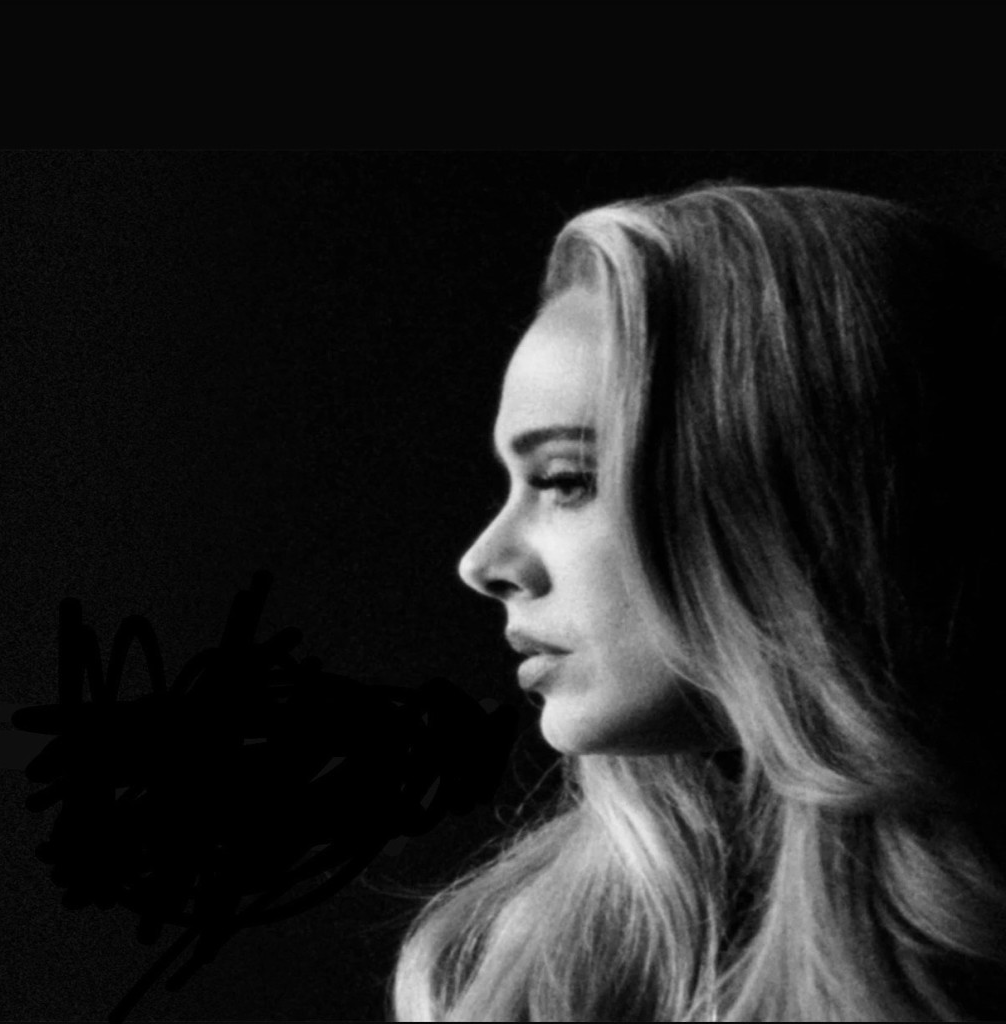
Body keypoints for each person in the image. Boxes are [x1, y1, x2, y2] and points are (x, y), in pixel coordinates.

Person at [387, 183, 1006, 1021]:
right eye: (515, 483)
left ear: (784, 507)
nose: (483, 563)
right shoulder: (512, 970)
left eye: (565, 481)